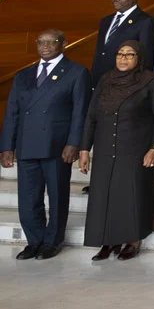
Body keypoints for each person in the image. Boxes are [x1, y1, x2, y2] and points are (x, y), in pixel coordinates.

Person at [0, 29, 88, 260]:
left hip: (57, 146)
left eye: (51, 42)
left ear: (64, 43)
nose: (45, 46)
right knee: (28, 198)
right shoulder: (24, 75)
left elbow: (80, 111)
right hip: (27, 144)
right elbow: (12, 112)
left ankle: (52, 241)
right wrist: (7, 147)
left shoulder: (76, 72)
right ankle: (35, 241)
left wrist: (74, 143)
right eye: (41, 42)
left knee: (57, 196)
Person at [78, 40, 154, 261]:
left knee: (131, 195)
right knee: (105, 195)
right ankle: (109, 240)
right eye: (120, 54)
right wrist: (84, 149)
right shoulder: (105, 79)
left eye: (130, 54)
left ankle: (133, 240)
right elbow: (91, 115)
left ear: (139, 58)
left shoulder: (151, 80)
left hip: (136, 148)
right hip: (105, 147)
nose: (123, 58)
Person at [92, 0, 154, 89]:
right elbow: (101, 52)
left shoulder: (145, 21)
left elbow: (146, 56)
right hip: (101, 80)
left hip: (127, 82)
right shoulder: (106, 20)